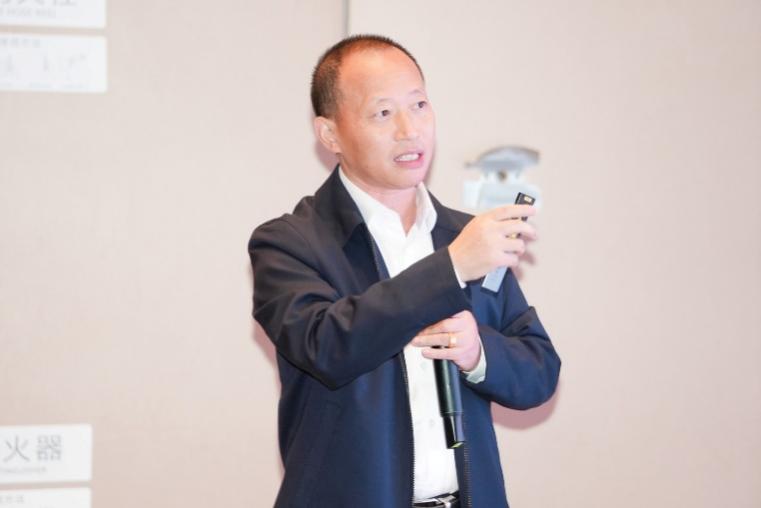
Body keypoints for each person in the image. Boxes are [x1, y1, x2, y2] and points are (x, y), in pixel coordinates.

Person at [249, 34, 561, 508]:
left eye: (419, 105)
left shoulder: (464, 235)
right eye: (382, 113)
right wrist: (450, 268)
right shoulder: (289, 243)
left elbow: (539, 371)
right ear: (330, 135)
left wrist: (478, 351)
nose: (409, 130)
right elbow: (326, 345)